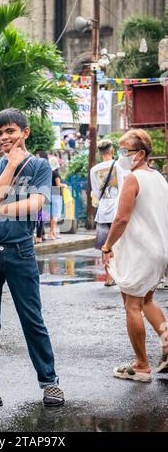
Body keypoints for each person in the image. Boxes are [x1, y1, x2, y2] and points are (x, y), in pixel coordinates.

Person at [0, 108, 64, 407]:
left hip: (21, 250)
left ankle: (49, 381)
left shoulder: (40, 165)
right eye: (0, 133)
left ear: (25, 133)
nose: (4, 137)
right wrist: (10, 166)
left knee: (32, 319)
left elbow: (35, 205)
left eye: (10, 131)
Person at [102, 129, 168, 381]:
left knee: (132, 306)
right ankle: (167, 346)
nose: (121, 155)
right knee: (146, 301)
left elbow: (121, 219)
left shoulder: (133, 179)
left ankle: (141, 365)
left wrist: (107, 246)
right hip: (158, 251)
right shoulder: (159, 178)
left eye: (125, 151)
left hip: (141, 251)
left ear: (140, 154)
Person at [90, 139, 129, 286]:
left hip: (103, 211)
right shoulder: (120, 166)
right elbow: (125, 187)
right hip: (118, 210)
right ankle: (120, 273)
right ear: (112, 151)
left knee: (105, 244)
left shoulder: (94, 170)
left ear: (100, 153)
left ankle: (108, 277)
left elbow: (95, 191)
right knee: (120, 243)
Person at [48, 156, 66, 240]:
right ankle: (51, 234)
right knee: (55, 215)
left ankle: (53, 233)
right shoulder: (56, 173)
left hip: (48, 194)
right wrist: (64, 185)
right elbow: (58, 185)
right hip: (56, 194)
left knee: (51, 216)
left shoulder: (47, 173)